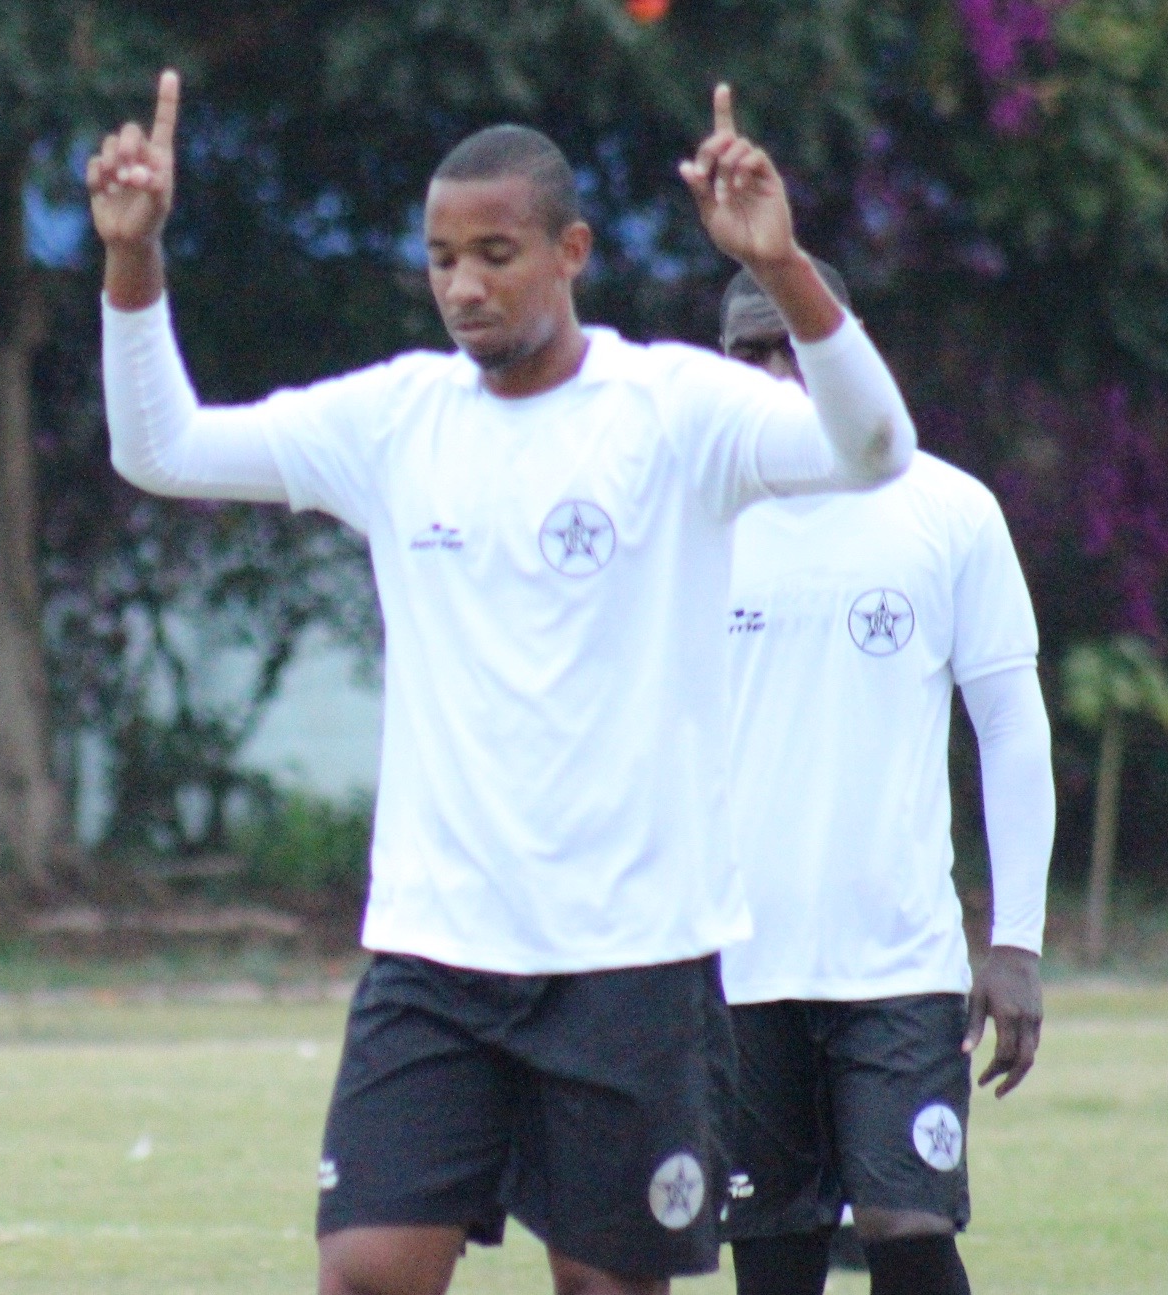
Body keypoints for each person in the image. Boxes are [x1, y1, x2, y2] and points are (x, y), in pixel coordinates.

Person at [93, 73, 918, 1295]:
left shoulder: (672, 409)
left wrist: (784, 268)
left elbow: (871, 448)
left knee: (603, 1285)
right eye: (440, 259)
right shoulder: (393, 420)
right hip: (436, 953)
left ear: (569, 251)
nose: (464, 286)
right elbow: (158, 450)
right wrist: (133, 261)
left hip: (632, 958)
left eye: (495, 252)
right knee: (366, 1269)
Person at [715, 261, 1053, 1295]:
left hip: (899, 964)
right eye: (746, 351)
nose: (775, 370)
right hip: (734, 961)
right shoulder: (694, 519)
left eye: (792, 343)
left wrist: (1014, 940)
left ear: (840, 345)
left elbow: (1007, 724)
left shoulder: (946, 508)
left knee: (904, 1227)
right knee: (770, 1255)